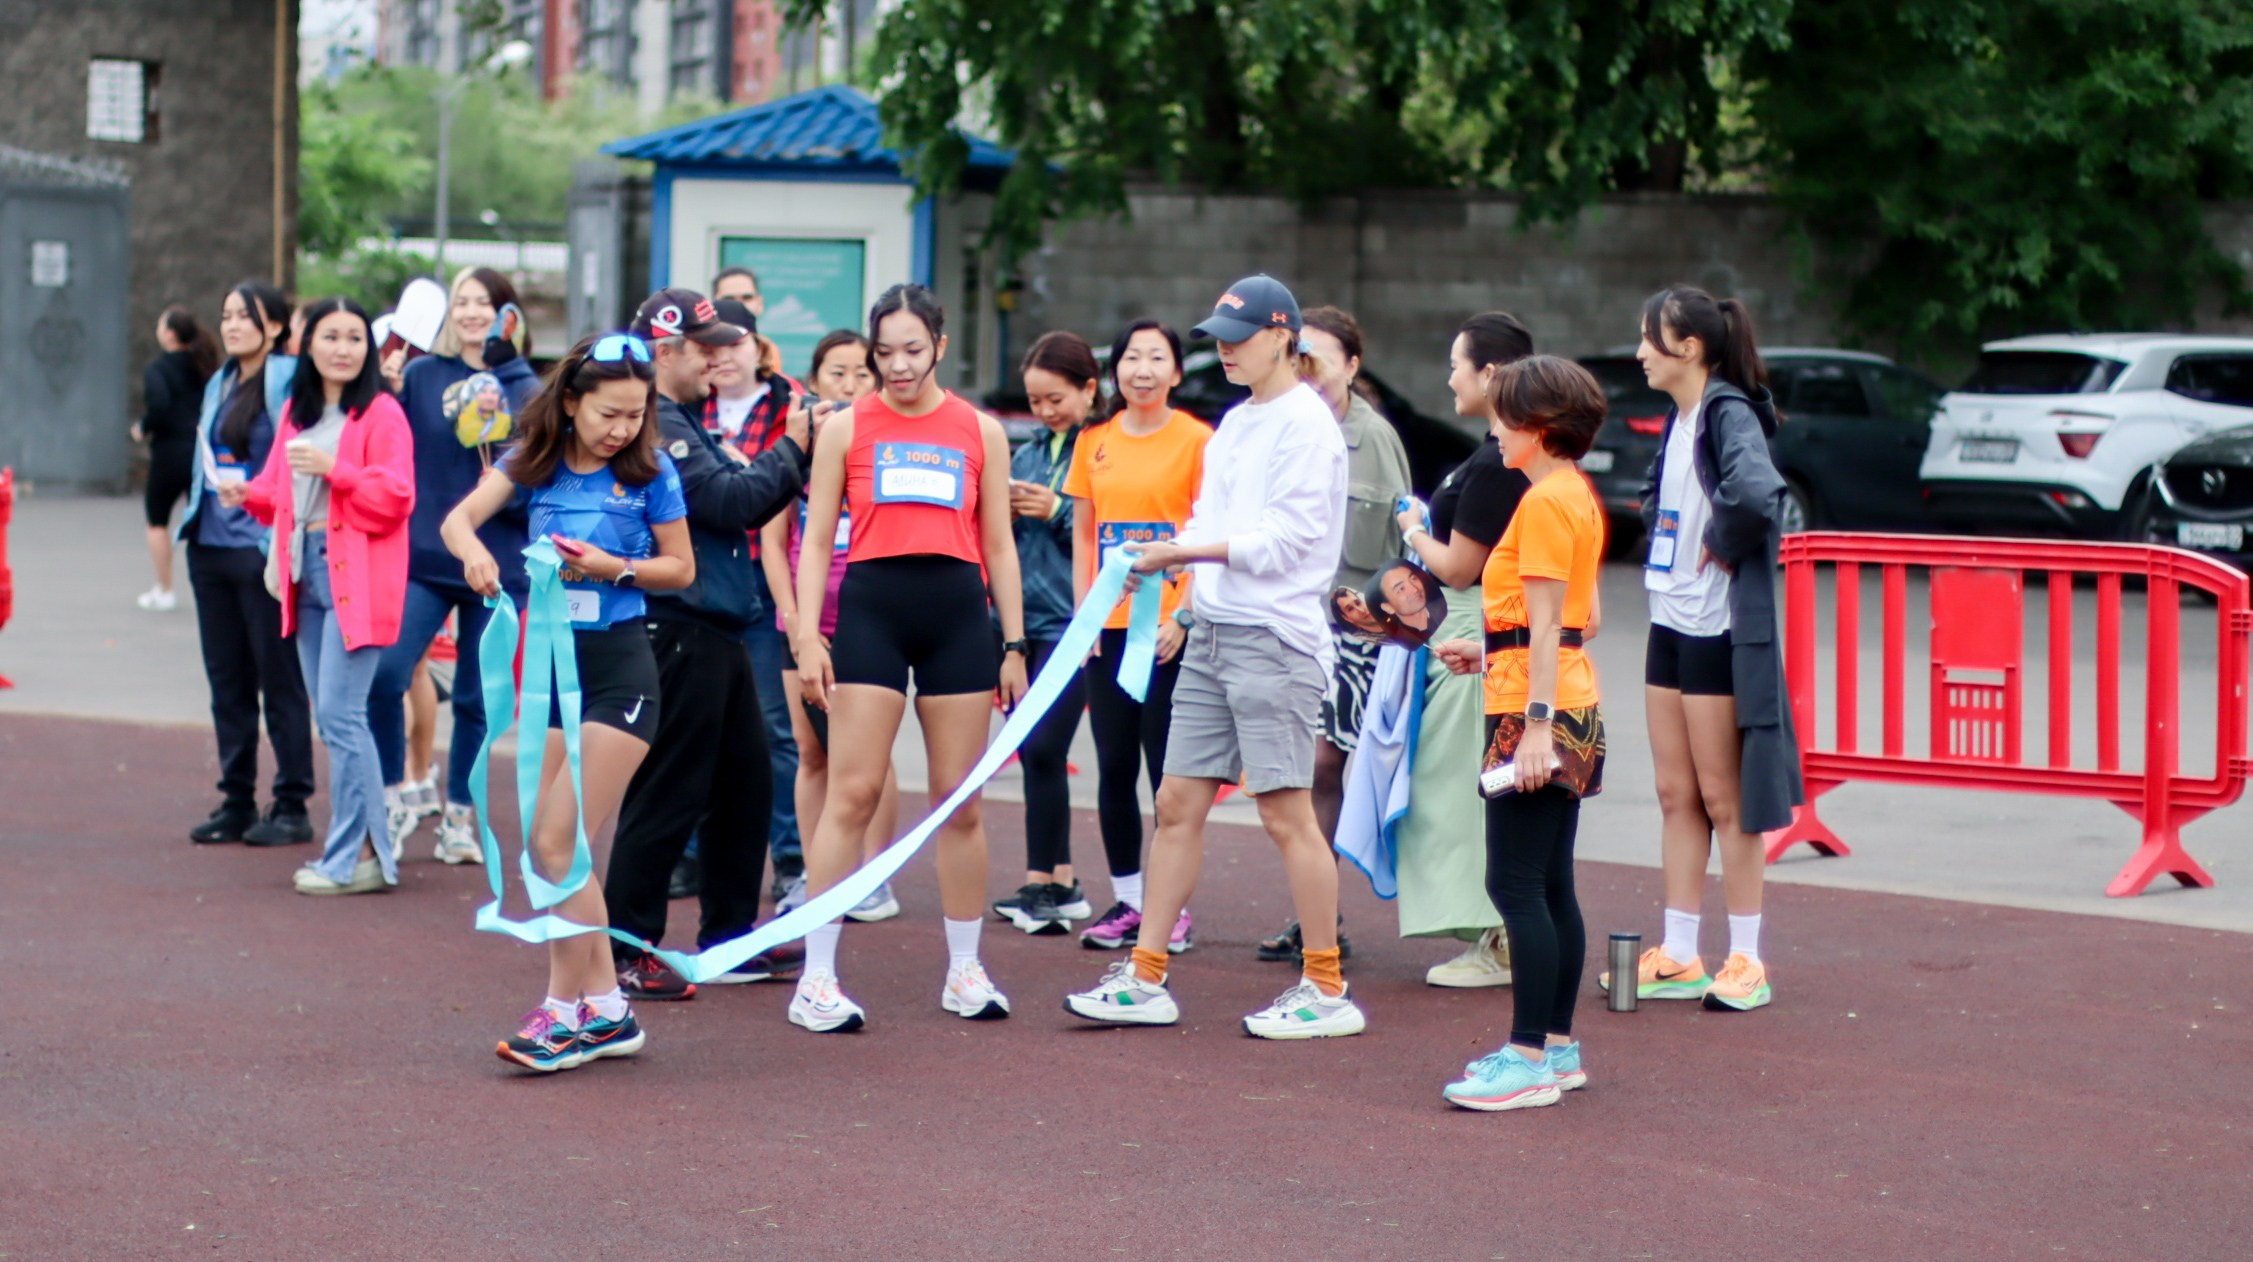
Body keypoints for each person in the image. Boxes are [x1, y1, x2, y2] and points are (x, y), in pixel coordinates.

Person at [1065, 274, 1365, 1040]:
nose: (1223, 350)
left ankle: (1326, 986)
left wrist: (1181, 553)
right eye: (1218, 337)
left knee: (1285, 812)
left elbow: (1287, 543)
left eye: (1237, 337)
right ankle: (1145, 973)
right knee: (1175, 805)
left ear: (1280, 337)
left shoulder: (1306, 425)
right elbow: (1208, 517)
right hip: (1215, 632)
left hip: (1275, 639)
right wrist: (1183, 581)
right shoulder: (1236, 422)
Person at [442, 332, 694, 1072]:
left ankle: (562, 1012)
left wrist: (616, 568)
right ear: (573, 401)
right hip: (551, 673)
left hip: (621, 676)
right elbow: (457, 519)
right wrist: (476, 554)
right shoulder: (534, 462)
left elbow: (680, 568)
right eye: (609, 413)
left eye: (635, 414)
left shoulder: (649, 474)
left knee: (559, 843)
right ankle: (609, 1011)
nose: (622, 429)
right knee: (545, 848)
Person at [790, 283, 1029, 1032]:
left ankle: (964, 970)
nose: (897, 366)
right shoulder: (844, 427)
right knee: (852, 792)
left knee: (958, 801)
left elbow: (998, 544)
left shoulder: (980, 430)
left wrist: (1014, 643)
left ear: (940, 346)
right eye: (884, 352)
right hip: (871, 612)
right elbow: (813, 533)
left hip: (959, 614)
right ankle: (816, 978)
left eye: (912, 351)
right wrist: (805, 634)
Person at [605, 288, 818, 1001]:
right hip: (677, 624)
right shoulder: (654, 422)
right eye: (705, 345)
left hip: (714, 623)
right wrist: (797, 444)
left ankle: (728, 938)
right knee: (669, 791)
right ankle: (626, 946)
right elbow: (731, 502)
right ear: (664, 352)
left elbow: (731, 494)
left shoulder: (676, 418)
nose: (720, 356)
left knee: (744, 789)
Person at [1602, 285, 1802, 1013]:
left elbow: (1756, 497)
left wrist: (1713, 545)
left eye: (1648, 340)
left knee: (1724, 799)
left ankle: (1745, 957)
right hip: (1669, 620)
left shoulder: (1725, 410)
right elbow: (1661, 500)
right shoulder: (1682, 416)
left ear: (1688, 347)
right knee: (1673, 794)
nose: (1637, 354)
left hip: (1719, 628)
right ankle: (1680, 952)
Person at [1430, 354, 1609, 1111]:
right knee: (1548, 883)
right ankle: (1554, 1047)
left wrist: (1531, 723)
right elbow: (1581, 620)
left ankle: (1527, 1054)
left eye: (1504, 417)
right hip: (1565, 701)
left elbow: (1546, 625)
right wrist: (1491, 647)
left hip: (1535, 714)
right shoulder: (1574, 494)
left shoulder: (1540, 503)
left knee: (1513, 883)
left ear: (1537, 427)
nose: (1493, 430)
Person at [220, 297, 416, 894]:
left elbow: (395, 498)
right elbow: (281, 491)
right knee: (333, 720)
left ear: (368, 350)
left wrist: (339, 470)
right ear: (308, 345)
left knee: (341, 716)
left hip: (355, 575)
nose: (342, 348)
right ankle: (371, 853)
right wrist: (244, 493)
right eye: (329, 336)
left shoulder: (382, 413)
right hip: (303, 573)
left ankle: (353, 857)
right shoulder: (296, 412)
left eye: (354, 338)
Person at [1253, 305, 1409, 966]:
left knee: (1326, 766)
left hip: (1354, 632)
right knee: (1292, 772)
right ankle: (1313, 912)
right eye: (1299, 357)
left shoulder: (1374, 439)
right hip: (1286, 618)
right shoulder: (1271, 428)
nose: (1308, 371)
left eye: (1320, 358)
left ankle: (1323, 914)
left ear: (1351, 365)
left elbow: (1404, 545)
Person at [370, 267, 540, 865]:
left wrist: (508, 372)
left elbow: (542, 476)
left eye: (486, 303)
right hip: (425, 557)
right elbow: (392, 451)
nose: (471, 313)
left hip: (498, 565)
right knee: (385, 676)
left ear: (508, 316)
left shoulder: (528, 387)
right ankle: (394, 796)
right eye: (462, 301)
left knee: (478, 697)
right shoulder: (420, 377)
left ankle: (461, 817)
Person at [1389, 314, 1539, 986]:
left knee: (1458, 790)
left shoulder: (1500, 463)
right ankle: (1489, 933)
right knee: (1451, 786)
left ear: (1491, 374)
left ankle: (1499, 938)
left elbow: (1455, 567)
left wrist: (1412, 531)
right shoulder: (1492, 454)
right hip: (1465, 633)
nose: (1449, 376)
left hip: (1473, 632)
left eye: (1458, 363)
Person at [1063, 320, 1208, 954]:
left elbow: (1207, 537)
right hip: (1110, 627)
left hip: (1169, 633)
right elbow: (1082, 535)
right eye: (1130, 357)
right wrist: (1084, 618)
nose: (1141, 369)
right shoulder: (1092, 441)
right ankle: (1127, 900)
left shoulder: (1200, 441)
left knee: (1167, 776)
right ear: (1114, 370)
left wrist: (1186, 616)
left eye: (1157, 358)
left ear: (1177, 372)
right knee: (1113, 768)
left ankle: (1169, 911)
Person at [760, 330, 901, 927]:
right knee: (812, 753)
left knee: (868, 755)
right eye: (835, 373)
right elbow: (774, 541)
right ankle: (819, 875)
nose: (848, 385)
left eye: (860, 373)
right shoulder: (793, 447)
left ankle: (873, 875)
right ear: (812, 380)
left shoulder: (885, 443)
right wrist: (795, 620)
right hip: (801, 624)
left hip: (868, 620)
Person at [677, 295, 805, 912]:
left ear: (758, 346)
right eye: (710, 346)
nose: (721, 356)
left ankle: (789, 861)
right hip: (701, 580)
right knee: (701, 727)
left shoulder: (792, 405)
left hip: (769, 574)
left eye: (733, 343)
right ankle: (694, 858)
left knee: (773, 730)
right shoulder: (682, 407)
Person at [178, 282, 316, 848]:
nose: (232, 325)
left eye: (246, 316)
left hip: (262, 551)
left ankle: (291, 804)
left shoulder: (289, 380)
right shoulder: (219, 380)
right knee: (227, 681)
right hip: (209, 548)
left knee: (279, 681)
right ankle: (235, 799)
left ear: (277, 326)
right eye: (226, 315)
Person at [987, 331, 1096, 935]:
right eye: (1035, 401)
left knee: (1046, 747)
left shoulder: (1102, 448)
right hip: (1016, 622)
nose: (1045, 412)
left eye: (1056, 399)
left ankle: (1050, 881)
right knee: (1033, 752)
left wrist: (1055, 511)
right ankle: (1053, 878)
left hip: (1072, 621)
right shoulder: (1026, 450)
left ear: (1087, 389)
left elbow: (1105, 535)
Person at [135, 306, 222, 612]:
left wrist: (142, 427)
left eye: (161, 325)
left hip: (170, 452)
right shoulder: (207, 365)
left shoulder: (158, 368)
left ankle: (165, 588)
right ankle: (210, 587)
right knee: (205, 519)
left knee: (157, 519)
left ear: (170, 333)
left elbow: (158, 406)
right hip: (203, 450)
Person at [712, 266, 791, 384]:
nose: (738, 305)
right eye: (728, 299)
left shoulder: (769, 349)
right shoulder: (699, 348)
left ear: (760, 304)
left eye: (747, 298)